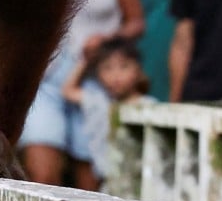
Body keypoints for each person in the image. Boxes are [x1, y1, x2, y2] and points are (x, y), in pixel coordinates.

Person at [19, 0, 146, 190]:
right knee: (42, 176)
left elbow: (136, 22)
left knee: (91, 181)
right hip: (43, 79)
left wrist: (107, 40)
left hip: (97, 82)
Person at [63, 37, 155, 185]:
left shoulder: (149, 106)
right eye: (107, 68)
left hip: (143, 182)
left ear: (138, 70)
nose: (115, 76)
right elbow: (68, 91)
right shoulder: (100, 103)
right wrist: (86, 61)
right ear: (98, 73)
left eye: (124, 67)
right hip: (110, 183)